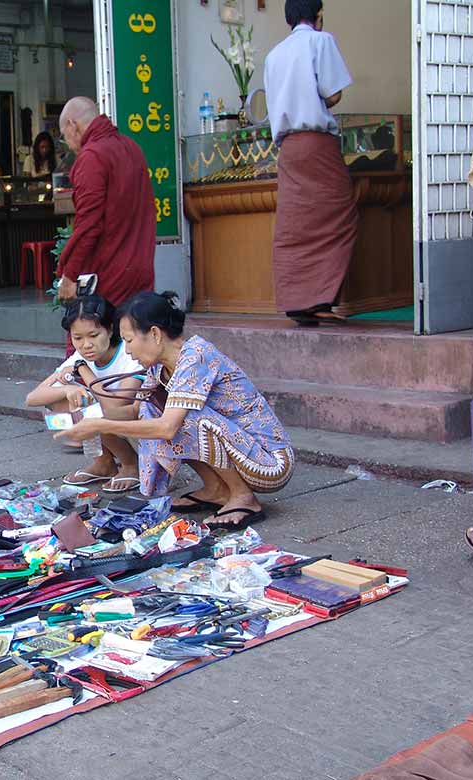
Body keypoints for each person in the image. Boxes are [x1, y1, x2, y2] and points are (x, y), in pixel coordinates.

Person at [57, 291, 295, 528]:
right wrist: (88, 409)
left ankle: (243, 497)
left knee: (183, 417)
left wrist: (100, 425)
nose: (127, 350)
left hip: (271, 464)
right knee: (154, 409)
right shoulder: (158, 367)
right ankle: (216, 489)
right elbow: (134, 413)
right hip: (242, 451)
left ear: (154, 334)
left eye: (129, 340)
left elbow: (167, 428)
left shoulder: (196, 356)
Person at [264, 0, 356, 326]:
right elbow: (332, 94)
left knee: (295, 223)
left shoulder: (274, 55)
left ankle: (296, 299)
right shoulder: (321, 41)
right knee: (339, 215)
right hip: (317, 143)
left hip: (288, 148)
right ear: (318, 16)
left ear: (289, 19)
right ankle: (319, 298)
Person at [25, 295, 142, 493]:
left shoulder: (129, 353)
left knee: (92, 409)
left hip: (140, 428)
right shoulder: (81, 356)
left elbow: (116, 409)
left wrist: (83, 371)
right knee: (62, 400)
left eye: (93, 335)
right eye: (78, 338)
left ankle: (131, 464)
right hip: (113, 423)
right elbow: (32, 398)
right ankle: (104, 463)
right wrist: (67, 389)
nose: (86, 345)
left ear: (110, 329)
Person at [54, 97, 155, 310]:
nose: (68, 145)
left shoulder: (92, 156)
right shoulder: (132, 147)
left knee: (98, 329)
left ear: (72, 125)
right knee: (135, 328)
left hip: (108, 271)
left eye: (64, 137)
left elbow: (89, 224)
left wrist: (70, 274)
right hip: (140, 267)